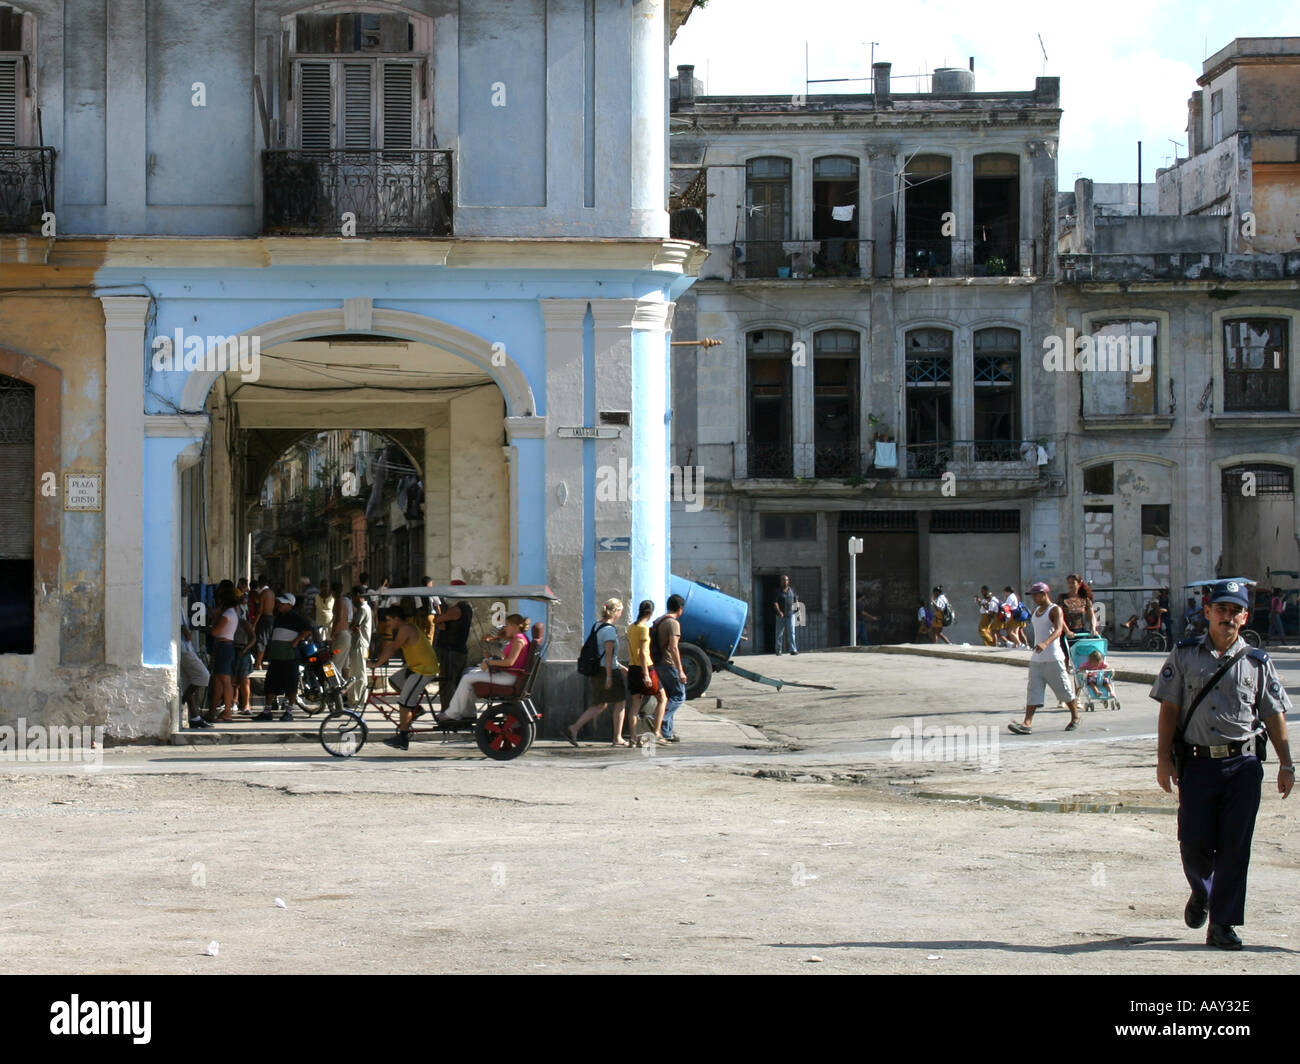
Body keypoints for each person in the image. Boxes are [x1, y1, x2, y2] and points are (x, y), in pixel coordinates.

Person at [1152, 578, 1294, 950]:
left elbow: (1275, 715)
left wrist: (1287, 764)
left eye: (1235, 611)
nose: (1227, 617)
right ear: (1208, 613)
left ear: (1244, 617)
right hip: (1197, 766)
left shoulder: (1258, 662)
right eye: (1221, 610)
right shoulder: (1184, 655)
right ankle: (1202, 891)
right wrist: (1163, 759)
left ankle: (1223, 924)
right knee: (1194, 844)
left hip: (1243, 767)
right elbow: (1169, 708)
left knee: (1235, 847)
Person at [1008, 582, 1081, 734]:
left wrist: (1045, 643)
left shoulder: (1054, 610)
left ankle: (1075, 717)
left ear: (1044, 594)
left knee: (1064, 690)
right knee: (1033, 690)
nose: (1034, 597)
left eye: (1036, 594)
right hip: (1037, 659)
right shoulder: (1035, 611)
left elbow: (1059, 629)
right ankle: (1027, 723)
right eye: (1032, 595)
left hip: (1053, 657)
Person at [372, 605, 441, 750]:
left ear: (397, 619)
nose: (388, 624)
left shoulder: (405, 629)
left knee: (403, 703)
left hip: (424, 670)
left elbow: (392, 648)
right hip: (414, 667)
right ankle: (415, 708)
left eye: (389, 620)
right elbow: (391, 646)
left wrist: (377, 663)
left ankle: (403, 738)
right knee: (394, 680)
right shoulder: (405, 627)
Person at [440, 613, 530, 724]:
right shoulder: (518, 639)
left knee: (468, 677)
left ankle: (451, 714)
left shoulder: (518, 640)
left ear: (515, 626)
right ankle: (468, 713)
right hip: (509, 674)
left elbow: (510, 662)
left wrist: (489, 662)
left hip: (509, 677)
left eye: (507, 625)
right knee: (468, 673)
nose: (505, 627)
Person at [564, 600, 629, 745]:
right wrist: (610, 677)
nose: (621, 613)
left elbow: (601, 653)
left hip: (598, 670)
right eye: (620, 611)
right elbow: (608, 655)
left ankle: (574, 728)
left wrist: (620, 666)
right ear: (616, 612)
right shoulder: (610, 630)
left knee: (600, 704)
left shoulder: (597, 626)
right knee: (620, 702)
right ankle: (617, 737)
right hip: (608, 671)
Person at [255, 593, 313, 722]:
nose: (279, 605)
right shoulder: (279, 617)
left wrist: (296, 641)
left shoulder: (296, 617)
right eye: (279, 603)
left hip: (289, 656)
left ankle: (288, 712)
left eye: (282, 603)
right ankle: (267, 711)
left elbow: (308, 630)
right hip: (276, 656)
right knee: (270, 683)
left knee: (291, 684)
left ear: (290, 605)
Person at [625, 600, 668, 746]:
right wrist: (646, 674)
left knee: (635, 704)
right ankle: (656, 732)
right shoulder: (644, 629)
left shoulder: (631, 627)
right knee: (662, 698)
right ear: (650, 613)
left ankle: (632, 738)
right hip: (645, 668)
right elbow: (643, 653)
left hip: (632, 668)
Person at [432, 581, 474, 712]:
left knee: (447, 682)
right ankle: (457, 712)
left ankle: (449, 712)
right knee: (456, 682)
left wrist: (441, 620)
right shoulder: (466, 607)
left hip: (452, 651)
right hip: (458, 650)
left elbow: (436, 620)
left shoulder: (456, 609)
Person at [653, 594, 687, 743]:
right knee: (679, 696)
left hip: (658, 663)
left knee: (669, 696)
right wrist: (680, 670)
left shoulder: (659, 620)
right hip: (668, 664)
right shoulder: (673, 623)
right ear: (680, 609)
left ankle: (667, 732)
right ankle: (656, 719)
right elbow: (673, 647)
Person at [209, 582, 240, 722]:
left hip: (224, 647)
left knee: (224, 680)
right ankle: (213, 711)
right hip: (225, 647)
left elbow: (215, 632)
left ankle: (227, 711)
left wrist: (213, 619)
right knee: (219, 680)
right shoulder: (233, 613)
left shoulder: (227, 614)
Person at [178, 625, 213, 729]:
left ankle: (195, 717)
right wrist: (187, 633)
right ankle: (181, 702)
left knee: (188, 682)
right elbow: (182, 626)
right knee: (203, 675)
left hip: (185, 646)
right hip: (183, 647)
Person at [346, 586, 372, 708]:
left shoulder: (362, 609)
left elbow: (353, 625)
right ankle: (353, 700)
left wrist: (352, 626)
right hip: (359, 644)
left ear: (357, 595)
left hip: (360, 644)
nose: (351, 599)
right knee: (355, 673)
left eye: (352, 596)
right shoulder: (364, 608)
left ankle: (361, 700)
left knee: (360, 674)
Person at [1061, 574, 1099, 639]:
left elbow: (1092, 615)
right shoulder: (1062, 598)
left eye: (1073, 583)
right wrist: (1067, 631)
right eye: (1069, 583)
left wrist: (1093, 628)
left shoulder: (1084, 599)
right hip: (1066, 632)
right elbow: (1059, 617)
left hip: (1080, 632)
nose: (1070, 585)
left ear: (1079, 584)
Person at [253, 577, 276, 670]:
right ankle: (261, 662)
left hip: (264, 618)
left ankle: (258, 663)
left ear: (260, 584)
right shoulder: (272, 593)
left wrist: (254, 624)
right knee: (267, 640)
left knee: (261, 640)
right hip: (271, 617)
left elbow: (260, 610)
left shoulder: (263, 593)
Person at [773, 575, 799, 655]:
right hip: (781, 615)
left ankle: (793, 650)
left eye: (786, 580)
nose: (785, 581)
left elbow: (796, 599)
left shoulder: (792, 590)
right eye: (783, 580)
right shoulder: (778, 591)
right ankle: (778, 650)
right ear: (781, 582)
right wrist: (779, 611)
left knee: (791, 632)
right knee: (779, 633)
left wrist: (797, 608)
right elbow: (775, 602)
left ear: (788, 581)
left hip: (790, 614)